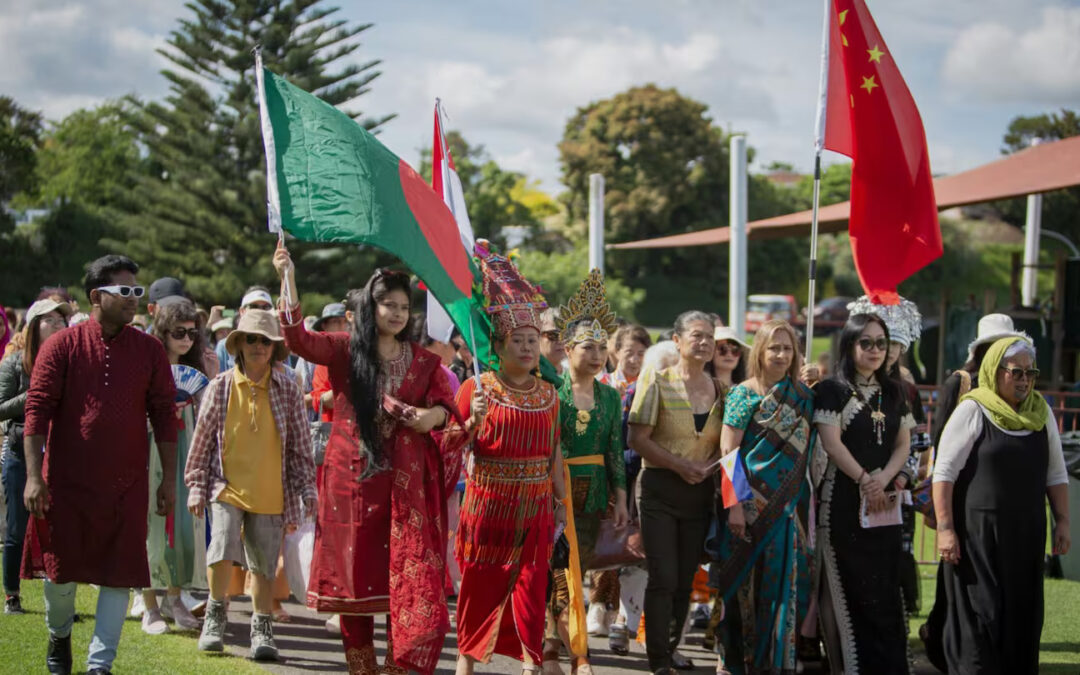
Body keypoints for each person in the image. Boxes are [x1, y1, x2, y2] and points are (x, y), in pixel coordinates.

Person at [273, 244, 459, 675]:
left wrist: (426, 417)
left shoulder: (425, 362)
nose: (396, 313)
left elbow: (448, 414)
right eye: (386, 304)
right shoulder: (343, 350)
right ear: (368, 306)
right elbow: (297, 339)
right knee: (353, 584)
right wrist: (288, 277)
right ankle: (361, 670)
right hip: (351, 483)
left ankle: (398, 667)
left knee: (406, 579)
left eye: (402, 306)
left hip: (405, 490)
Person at [22, 255, 178, 675]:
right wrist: (35, 477)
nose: (133, 299)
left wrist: (167, 482)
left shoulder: (148, 349)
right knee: (60, 577)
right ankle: (59, 635)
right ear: (96, 296)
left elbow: (166, 414)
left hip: (127, 484)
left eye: (137, 291)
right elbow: (36, 412)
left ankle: (99, 665)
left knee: (119, 573)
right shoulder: (61, 347)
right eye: (124, 291)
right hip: (66, 483)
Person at [443, 242, 567, 675]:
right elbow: (451, 445)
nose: (529, 347)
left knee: (533, 589)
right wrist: (471, 421)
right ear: (498, 342)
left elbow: (553, 452)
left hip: (533, 507)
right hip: (488, 505)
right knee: (479, 586)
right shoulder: (477, 388)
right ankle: (466, 665)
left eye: (534, 340)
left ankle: (531, 665)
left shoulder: (550, 395)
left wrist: (560, 502)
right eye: (519, 339)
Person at [184, 308, 316, 661]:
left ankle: (262, 628)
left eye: (267, 341)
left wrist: (307, 490)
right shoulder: (221, 386)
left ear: (275, 348)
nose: (259, 346)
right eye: (252, 339)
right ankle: (215, 615)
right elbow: (201, 442)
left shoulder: (288, 387)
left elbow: (301, 447)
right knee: (223, 544)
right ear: (239, 344)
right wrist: (196, 485)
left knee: (262, 564)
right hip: (225, 487)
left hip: (272, 492)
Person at [933, 337, 1071, 674]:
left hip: (1025, 539)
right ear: (995, 371)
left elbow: (1056, 473)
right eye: (1016, 372)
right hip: (979, 540)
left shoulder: (1041, 413)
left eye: (1030, 372)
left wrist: (1063, 521)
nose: (1024, 380)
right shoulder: (973, 409)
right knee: (983, 617)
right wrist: (946, 528)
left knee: (1022, 618)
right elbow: (944, 472)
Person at [919, 313, 1029, 671]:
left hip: (995, 496)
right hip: (961, 491)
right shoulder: (961, 381)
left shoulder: (1017, 386)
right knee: (956, 577)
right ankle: (943, 639)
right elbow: (943, 441)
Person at [705, 319, 815, 675]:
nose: (781, 355)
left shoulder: (803, 397)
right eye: (774, 348)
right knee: (741, 588)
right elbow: (728, 451)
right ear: (760, 352)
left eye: (788, 348)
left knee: (783, 586)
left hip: (787, 511)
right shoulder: (743, 393)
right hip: (746, 506)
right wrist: (735, 505)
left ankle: (775, 661)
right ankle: (733, 661)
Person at [814, 314, 914, 675]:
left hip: (883, 505)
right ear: (850, 345)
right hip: (842, 501)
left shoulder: (895, 390)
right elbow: (831, 442)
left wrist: (884, 479)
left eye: (881, 343)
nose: (875, 350)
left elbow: (904, 443)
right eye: (866, 343)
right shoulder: (832, 389)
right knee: (846, 588)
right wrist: (864, 480)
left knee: (884, 588)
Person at [542, 271, 629, 675]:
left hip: (593, 494)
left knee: (578, 573)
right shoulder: (549, 392)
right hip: (554, 492)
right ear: (567, 347)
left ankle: (564, 650)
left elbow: (614, 450)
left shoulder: (611, 396)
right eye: (588, 347)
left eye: (602, 348)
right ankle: (566, 654)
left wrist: (621, 497)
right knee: (558, 572)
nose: (597, 355)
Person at [628, 311, 724, 675]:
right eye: (696, 336)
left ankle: (669, 649)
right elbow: (637, 439)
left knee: (685, 581)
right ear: (678, 341)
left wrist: (709, 465)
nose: (704, 343)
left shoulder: (720, 390)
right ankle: (657, 660)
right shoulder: (657, 381)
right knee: (664, 576)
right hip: (660, 492)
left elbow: (726, 444)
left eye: (709, 337)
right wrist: (679, 465)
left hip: (699, 495)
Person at [136, 300, 209, 634]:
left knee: (184, 529)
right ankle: (149, 605)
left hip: (187, 452)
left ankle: (175, 597)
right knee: (150, 528)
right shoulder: (146, 368)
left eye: (192, 333)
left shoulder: (198, 373)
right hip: (149, 452)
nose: (186, 339)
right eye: (179, 332)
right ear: (162, 332)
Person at [0, 299, 72, 616]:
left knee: (61, 528)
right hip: (20, 452)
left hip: (61, 453)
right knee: (17, 527)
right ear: (33, 327)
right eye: (50, 319)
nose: (58, 324)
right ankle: (11, 596)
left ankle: (59, 600)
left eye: (61, 319)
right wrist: (36, 393)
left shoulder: (71, 363)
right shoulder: (14, 364)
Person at [214, 286, 275, 371]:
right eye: (254, 307)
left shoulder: (277, 344)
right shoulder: (224, 347)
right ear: (242, 311)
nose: (260, 311)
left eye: (266, 307)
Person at [540, 308, 568, 376]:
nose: (560, 341)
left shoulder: (574, 375)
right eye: (553, 335)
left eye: (565, 334)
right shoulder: (527, 377)